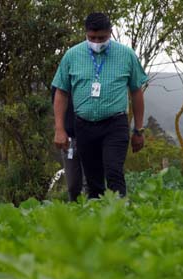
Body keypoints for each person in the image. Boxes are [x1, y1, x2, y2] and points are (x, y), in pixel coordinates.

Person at [52, 12, 147, 198]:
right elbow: (61, 92)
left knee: (113, 172)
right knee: (93, 180)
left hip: (115, 124)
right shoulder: (72, 55)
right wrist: (59, 128)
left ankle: (119, 216)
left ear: (110, 33)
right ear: (86, 33)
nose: (96, 41)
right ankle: (96, 220)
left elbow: (136, 92)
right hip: (84, 125)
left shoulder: (126, 55)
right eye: (92, 37)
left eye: (101, 37)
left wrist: (139, 130)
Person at [52, 86, 84, 202]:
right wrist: (60, 130)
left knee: (90, 183)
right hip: (69, 138)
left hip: (89, 136)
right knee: (73, 185)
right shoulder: (60, 80)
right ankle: (75, 213)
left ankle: (93, 214)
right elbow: (56, 105)